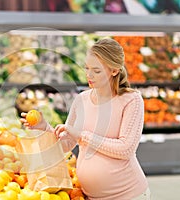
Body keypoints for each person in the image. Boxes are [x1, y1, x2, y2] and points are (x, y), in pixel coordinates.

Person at [21, 38, 150, 200]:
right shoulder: (81, 100)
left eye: (96, 71)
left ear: (114, 70)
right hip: (90, 196)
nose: (89, 75)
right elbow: (66, 145)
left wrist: (82, 136)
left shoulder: (131, 100)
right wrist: (45, 128)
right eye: (87, 68)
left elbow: (125, 149)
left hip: (129, 195)